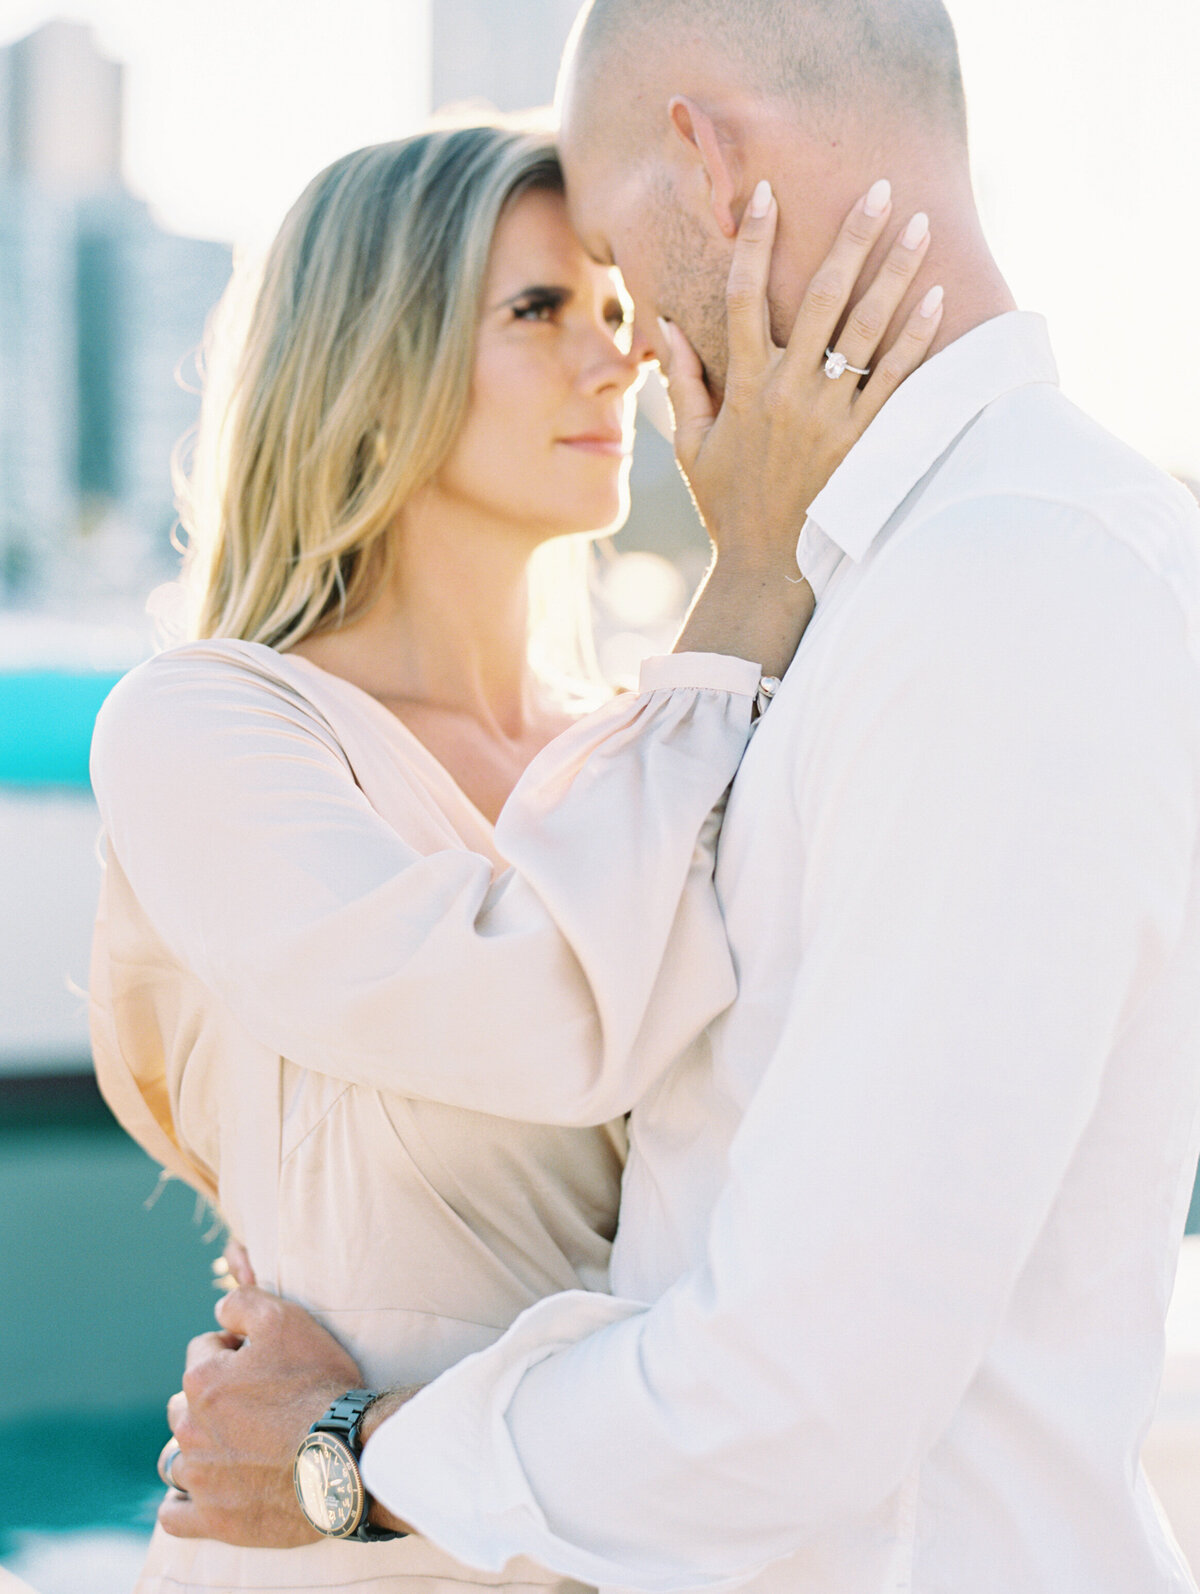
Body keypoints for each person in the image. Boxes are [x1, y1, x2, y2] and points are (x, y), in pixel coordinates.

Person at [154, 1, 1200, 1590]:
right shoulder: (869, 603)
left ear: (705, 165)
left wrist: (352, 1450)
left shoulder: (1001, 584)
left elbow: (806, 1385)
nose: (631, 344)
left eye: (618, 272)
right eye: (545, 305)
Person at [89, 118, 940, 1593]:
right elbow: (534, 1014)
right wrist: (746, 574)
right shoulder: (210, 725)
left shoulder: (652, 744)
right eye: (539, 311)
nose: (618, 361)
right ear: (376, 352)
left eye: (615, 313)